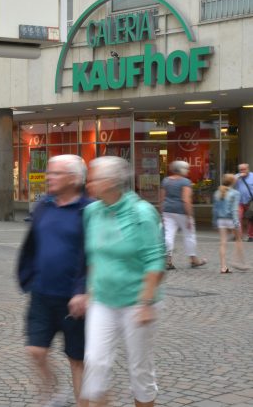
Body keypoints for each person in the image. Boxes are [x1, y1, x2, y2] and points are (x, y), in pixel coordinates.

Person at [81, 156, 166, 407]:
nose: (88, 184)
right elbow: (93, 254)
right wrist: (89, 289)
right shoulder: (91, 212)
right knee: (95, 363)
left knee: (140, 369)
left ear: (110, 182)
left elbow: (155, 260)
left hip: (137, 301)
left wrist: (146, 302)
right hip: (103, 299)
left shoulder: (142, 213)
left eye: (93, 179)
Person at [17, 155, 91, 407]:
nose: (49, 177)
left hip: (74, 299)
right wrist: (28, 275)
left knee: (77, 360)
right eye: (49, 172)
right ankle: (55, 391)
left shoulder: (88, 210)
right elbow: (32, 244)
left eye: (56, 173)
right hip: (42, 293)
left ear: (73, 179)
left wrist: (83, 290)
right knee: (35, 351)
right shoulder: (44, 206)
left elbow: (92, 255)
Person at [159, 160, 206, 270]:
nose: (188, 171)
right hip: (182, 211)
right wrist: (189, 217)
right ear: (182, 169)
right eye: (187, 169)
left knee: (168, 235)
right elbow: (186, 200)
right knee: (189, 235)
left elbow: (161, 198)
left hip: (167, 210)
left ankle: (168, 260)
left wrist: (161, 212)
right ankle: (193, 260)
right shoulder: (185, 182)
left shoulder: (165, 181)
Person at [213, 174, 250, 273]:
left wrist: (214, 222)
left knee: (223, 243)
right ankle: (239, 262)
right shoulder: (235, 193)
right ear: (233, 182)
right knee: (239, 239)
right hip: (231, 219)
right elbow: (234, 210)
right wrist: (237, 222)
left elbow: (215, 210)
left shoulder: (217, 192)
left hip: (221, 220)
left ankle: (223, 267)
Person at [234, 163, 253, 242]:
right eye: (241, 170)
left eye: (244, 169)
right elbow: (229, 185)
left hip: (251, 201)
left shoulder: (252, 176)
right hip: (240, 201)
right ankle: (239, 236)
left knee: (251, 218)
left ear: (248, 169)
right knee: (238, 217)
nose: (242, 171)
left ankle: (251, 236)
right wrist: (236, 179)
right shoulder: (236, 177)